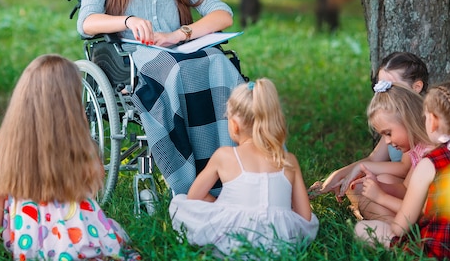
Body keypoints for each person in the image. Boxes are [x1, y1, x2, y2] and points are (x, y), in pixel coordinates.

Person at [77, 0, 245, 195]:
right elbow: (87, 22)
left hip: (180, 51)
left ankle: (236, 171)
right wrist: (126, 20)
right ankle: (190, 182)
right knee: (175, 68)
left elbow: (223, 14)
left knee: (220, 64)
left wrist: (179, 34)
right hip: (132, 58)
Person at [0, 54, 139, 261]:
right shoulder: (76, 141)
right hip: (76, 235)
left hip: (27, 237)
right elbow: (96, 179)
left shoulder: (4, 144)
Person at [169, 79, 319, 256]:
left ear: (234, 124)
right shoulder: (288, 160)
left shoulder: (224, 156)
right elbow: (305, 217)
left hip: (232, 240)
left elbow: (194, 197)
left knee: (179, 203)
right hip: (280, 244)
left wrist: (221, 208)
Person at [309, 52, 429, 200]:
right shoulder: (393, 122)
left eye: (391, 87)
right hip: (400, 184)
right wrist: (336, 176)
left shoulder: (418, 123)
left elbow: (404, 168)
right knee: (360, 183)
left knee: (381, 179)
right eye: (381, 87)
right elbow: (374, 159)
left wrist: (360, 170)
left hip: (412, 187)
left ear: (416, 87)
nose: (385, 94)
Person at [355, 81, 450, 259]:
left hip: (434, 252)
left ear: (432, 121)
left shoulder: (429, 163)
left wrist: (380, 197)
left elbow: (400, 227)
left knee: (361, 229)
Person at [343, 81, 434, 221]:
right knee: (375, 185)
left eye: (388, 133)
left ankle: (395, 235)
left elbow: (424, 213)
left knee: (367, 210)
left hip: (429, 220)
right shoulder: (418, 149)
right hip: (416, 213)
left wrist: (381, 197)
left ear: (407, 120)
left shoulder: (431, 155)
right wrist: (379, 186)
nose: (387, 142)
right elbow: (405, 189)